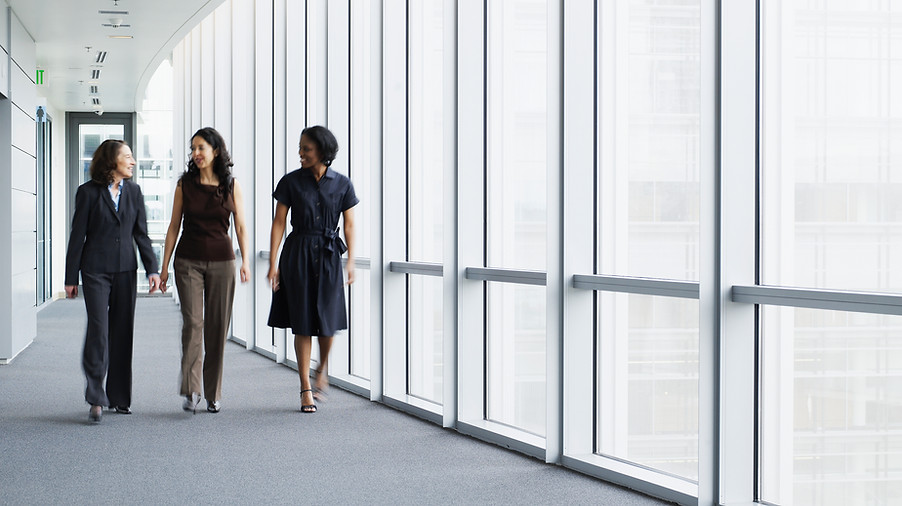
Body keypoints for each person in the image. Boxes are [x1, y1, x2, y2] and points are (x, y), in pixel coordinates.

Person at [64, 139, 161, 423]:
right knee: (99, 329)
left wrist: (151, 270)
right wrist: (71, 277)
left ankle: (118, 397)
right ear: (111, 161)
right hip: (94, 269)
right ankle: (95, 395)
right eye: (127, 157)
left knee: (122, 330)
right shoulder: (88, 193)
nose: (132, 162)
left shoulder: (134, 192)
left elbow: (141, 234)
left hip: (125, 270)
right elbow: (77, 236)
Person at [159, 127, 250, 414]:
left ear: (216, 151)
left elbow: (241, 227)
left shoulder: (231, 185)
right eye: (193, 149)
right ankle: (191, 389)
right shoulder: (184, 185)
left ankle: (213, 392)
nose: (196, 154)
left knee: (216, 328)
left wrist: (246, 261)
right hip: (188, 262)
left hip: (223, 263)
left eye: (201, 148)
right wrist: (163, 269)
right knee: (193, 325)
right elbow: (173, 227)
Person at [267, 125, 358, 413]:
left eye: (306, 148)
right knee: (303, 321)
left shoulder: (342, 184)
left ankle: (323, 369)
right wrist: (272, 262)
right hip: (298, 254)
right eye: (300, 148)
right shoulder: (290, 182)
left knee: (327, 322)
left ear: (322, 151)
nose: (301, 153)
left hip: (329, 254)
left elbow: (350, 223)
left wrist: (351, 260)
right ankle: (305, 387)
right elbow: (279, 223)